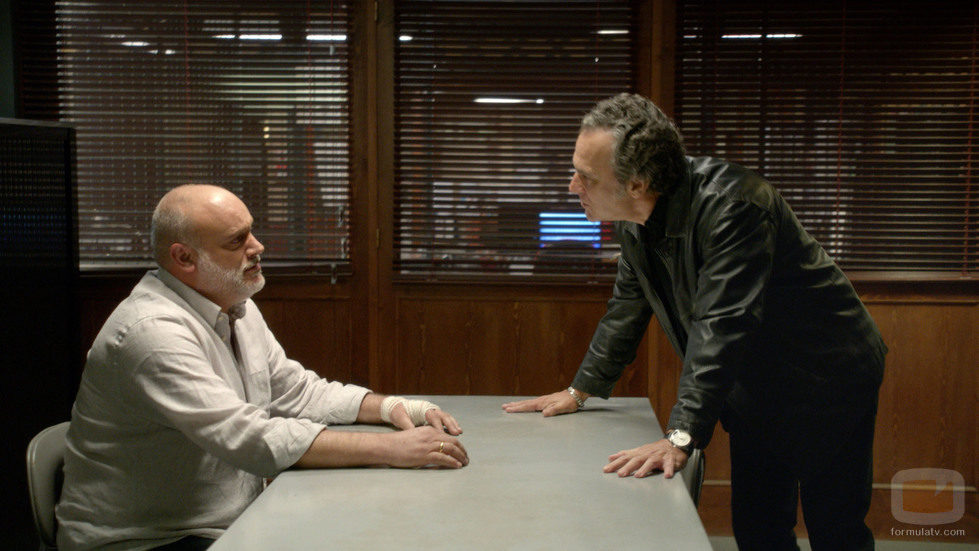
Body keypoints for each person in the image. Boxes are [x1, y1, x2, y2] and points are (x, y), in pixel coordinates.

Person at [503, 93, 886, 551]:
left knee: (835, 528)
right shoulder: (632, 218)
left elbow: (722, 323)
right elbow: (627, 307)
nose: (572, 187)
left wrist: (681, 436)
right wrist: (580, 390)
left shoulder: (736, 205)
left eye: (585, 176)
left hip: (827, 374)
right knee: (759, 528)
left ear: (637, 183)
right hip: (753, 378)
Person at [57, 184, 469, 551]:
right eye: (237, 241)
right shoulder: (151, 333)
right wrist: (390, 449)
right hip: (151, 539)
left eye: (251, 232)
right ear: (184, 258)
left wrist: (392, 407)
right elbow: (250, 438)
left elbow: (298, 393)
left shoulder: (233, 304)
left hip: (228, 520)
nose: (258, 247)